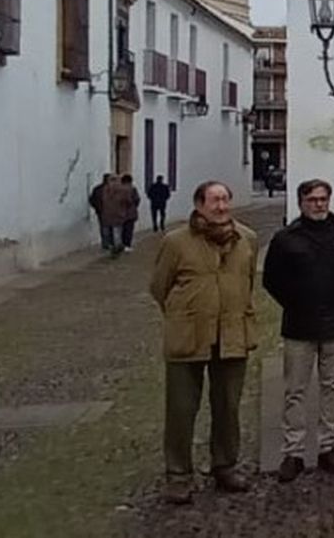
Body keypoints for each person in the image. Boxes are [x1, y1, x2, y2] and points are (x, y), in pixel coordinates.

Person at [149, 181, 257, 505]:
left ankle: (225, 465)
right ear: (199, 205)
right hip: (189, 335)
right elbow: (159, 286)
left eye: (225, 199)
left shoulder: (246, 239)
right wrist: (185, 312)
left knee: (228, 406)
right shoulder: (176, 242)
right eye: (214, 201)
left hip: (232, 333)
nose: (221, 207)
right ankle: (178, 475)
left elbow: (249, 281)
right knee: (181, 409)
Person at [262, 178, 334, 483]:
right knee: (295, 390)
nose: (318, 204)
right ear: (301, 202)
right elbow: (272, 279)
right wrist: (295, 301)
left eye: (323, 199)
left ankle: (328, 445)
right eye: (312, 200)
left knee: (332, 386)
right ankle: (293, 451)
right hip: (299, 323)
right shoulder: (286, 239)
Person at [99, 174, 139, 257]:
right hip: (119, 213)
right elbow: (129, 201)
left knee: (108, 231)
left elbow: (99, 200)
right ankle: (118, 247)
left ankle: (110, 246)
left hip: (107, 213)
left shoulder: (104, 189)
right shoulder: (123, 189)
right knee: (118, 231)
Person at [90, 173, 113, 248]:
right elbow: (92, 200)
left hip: (105, 211)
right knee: (106, 227)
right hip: (104, 211)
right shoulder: (100, 189)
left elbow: (92, 200)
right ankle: (107, 243)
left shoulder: (98, 189)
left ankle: (108, 243)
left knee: (106, 227)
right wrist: (97, 207)